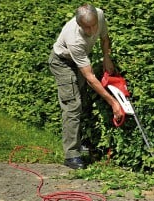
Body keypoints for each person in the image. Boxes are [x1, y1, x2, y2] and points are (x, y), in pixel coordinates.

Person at [48, 4, 123, 169]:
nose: (91, 31)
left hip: (79, 62)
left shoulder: (100, 15)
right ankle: (71, 155)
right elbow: (90, 77)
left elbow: (105, 37)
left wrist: (106, 57)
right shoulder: (73, 38)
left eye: (93, 26)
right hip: (63, 63)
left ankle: (78, 142)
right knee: (73, 105)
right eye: (86, 28)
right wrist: (113, 103)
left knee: (82, 100)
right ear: (78, 23)